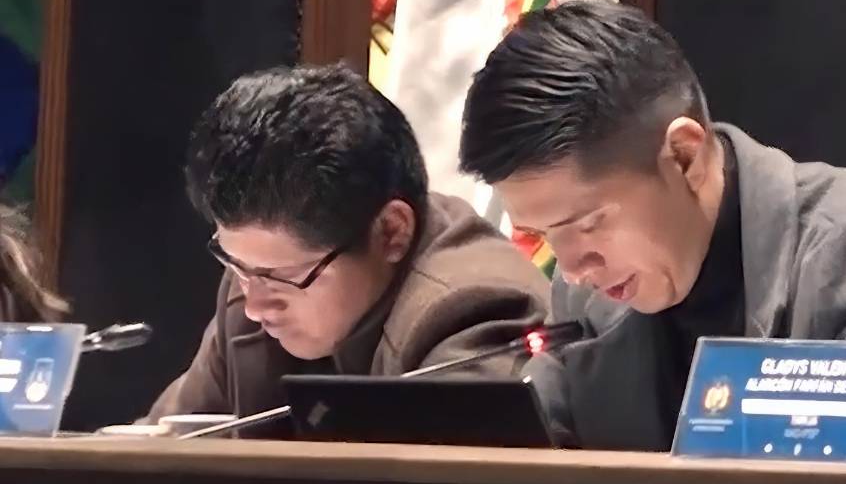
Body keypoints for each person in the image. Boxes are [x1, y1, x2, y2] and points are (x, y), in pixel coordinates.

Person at [458, 0, 846, 454]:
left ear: (683, 155)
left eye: (587, 224)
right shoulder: (590, 301)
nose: (573, 269)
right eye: (543, 235)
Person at [143, 64, 550, 435]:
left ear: (391, 232)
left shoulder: (472, 311)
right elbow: (155, 447)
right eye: (238, 265)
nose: (255, 307)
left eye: (283, 276)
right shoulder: (252, 285)